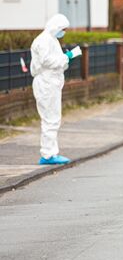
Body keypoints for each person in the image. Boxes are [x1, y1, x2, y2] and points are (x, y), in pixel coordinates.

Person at [30, 14, 82, 165]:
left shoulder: (51, 39)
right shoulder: (44, 40)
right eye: (63, 29)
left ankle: (51, 152)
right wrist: (68, 56)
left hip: (50, 83)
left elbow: (58, 63)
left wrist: (66, 58)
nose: (63, 32)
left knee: (53, 119)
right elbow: (47, 61)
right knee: (50, 119)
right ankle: (48, 155)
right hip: (46, 84)